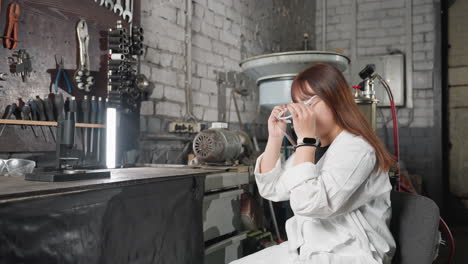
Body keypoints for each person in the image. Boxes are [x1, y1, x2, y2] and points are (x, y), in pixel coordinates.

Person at [231, 63, 396, 264]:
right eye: (297, 103)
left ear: (334, 100)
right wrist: (275, 137)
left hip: (350, 254)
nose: (302, 111)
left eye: (308, 102)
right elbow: (271, 189)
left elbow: (310, 205)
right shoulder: (315, 148)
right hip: (311, 249)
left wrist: (305, 141)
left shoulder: (357, 149)